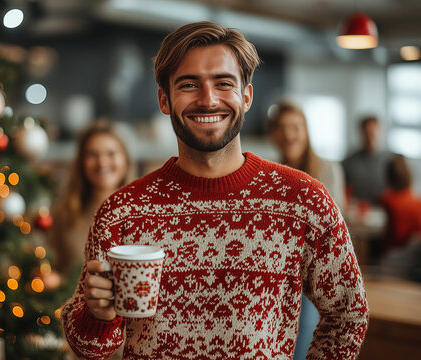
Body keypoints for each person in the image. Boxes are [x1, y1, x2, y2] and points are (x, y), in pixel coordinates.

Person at [62, 21, 368, 359]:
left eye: (223, 83)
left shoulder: (304, 200)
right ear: (164, 99)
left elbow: (348, 314)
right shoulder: (122, 211)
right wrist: (98, 317)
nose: (208, 100)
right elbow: (87, 348)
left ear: (247, 96)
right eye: (189, 85)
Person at [268, 100, 348, 360]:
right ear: (274, 134)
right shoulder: (271, 174)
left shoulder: (326, 170)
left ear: (306, 130)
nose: (289, 134)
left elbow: (333, 233)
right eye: (282, 128)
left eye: (295, 127)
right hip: (279, 279)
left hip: (313, 279)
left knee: (301, 347)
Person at [48, 120, 131, 276]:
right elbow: (53, 268)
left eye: (111, 153)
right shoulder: (64, 213)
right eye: (92, 154)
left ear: (125, 159)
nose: (102, 162)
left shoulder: (142, 212)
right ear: (81, 163)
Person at [343, 116, 389, 204]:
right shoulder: (349, 162)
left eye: (372, 132)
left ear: (379, 131)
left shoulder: (390, 161)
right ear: (361, 133)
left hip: (384, 210)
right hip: (357, 212)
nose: (370, 137)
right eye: (367, 133)